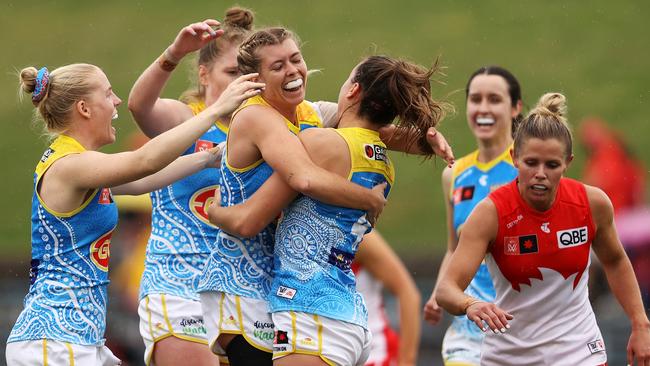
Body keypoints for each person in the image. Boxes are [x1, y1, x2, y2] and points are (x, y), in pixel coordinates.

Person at [4, 62, 263, 365]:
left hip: (74, 340)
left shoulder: (82, 164)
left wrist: (210, 157)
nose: (116, 102)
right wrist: (215, 110)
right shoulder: (71, 165)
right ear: (84, 108)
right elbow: (145, 161)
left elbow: (141, 182)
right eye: (108, 93)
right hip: (55, 342)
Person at [207, 54, 448, 365]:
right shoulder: (383, 162)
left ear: (353, 91)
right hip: (346, 316)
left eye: (347, 79)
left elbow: (248, 221)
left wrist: (215, 211)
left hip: (310, 312)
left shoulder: (319, 143)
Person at [435, 93, 650, 366]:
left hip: (579, 351)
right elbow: (446, 289)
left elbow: (616, 260)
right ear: (514, 157)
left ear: (568, 163)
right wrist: (471, 304)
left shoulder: (592, 204)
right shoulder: (490, 214)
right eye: (531, 163)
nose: (541, 174)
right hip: (509, 355)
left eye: (552, 165)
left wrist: (640, 324)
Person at [127, 8, 256, 366]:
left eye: (248, 73)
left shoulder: (265, 127)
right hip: (179, 282)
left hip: (242, 289)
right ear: (203, 74)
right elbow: (140, 105)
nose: (240, 82)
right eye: (231, 72)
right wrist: (173, 54)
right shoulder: (185, 120)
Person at [423, 66, 523, 365]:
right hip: (470, 326)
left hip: (520, 326)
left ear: (515, 107)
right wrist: (441, 292)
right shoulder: (454, 173)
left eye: (494, 99)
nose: (483, 108)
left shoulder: (530, 168)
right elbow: (455, 247)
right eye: (475, 99)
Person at [354, 231, 421, 366]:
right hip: (329, 352)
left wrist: (406, 361)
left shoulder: (360, 235)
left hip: (374, 355)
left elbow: (408, 293)